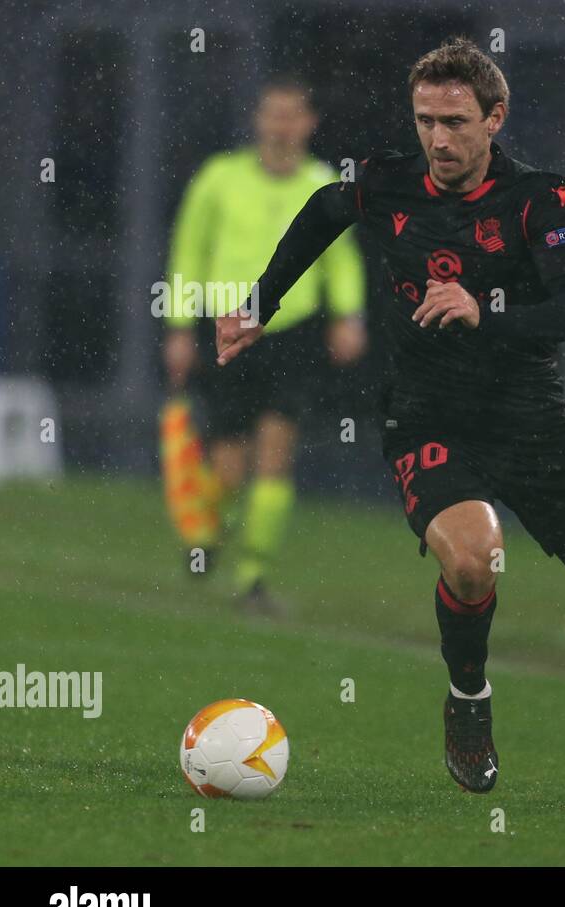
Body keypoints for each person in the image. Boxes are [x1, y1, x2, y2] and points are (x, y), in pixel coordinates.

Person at [212, 39, 565, 807]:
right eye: (425, 120)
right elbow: (324, 210)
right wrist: (260, 302)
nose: (438, 139)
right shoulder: (388, 182)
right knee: (475, 561)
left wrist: (486, 308)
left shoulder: (540, 199)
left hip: (530, 418)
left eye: (455, 121)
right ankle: (469, 702)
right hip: (428, 411)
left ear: (494, 118)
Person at [163, 77, 367, 613]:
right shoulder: (219, 178)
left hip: (291, 332)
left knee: (276, 456)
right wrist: (180, 327)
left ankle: (252, 577)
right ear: (257, 120)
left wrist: (347, 315)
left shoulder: (323, 183)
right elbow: (189, 252)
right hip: (228, 330)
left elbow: (340, 257)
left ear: (309, 123)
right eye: (272, 114)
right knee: (229, 467)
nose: (281, 125)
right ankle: (205, 530)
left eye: (291, 115)